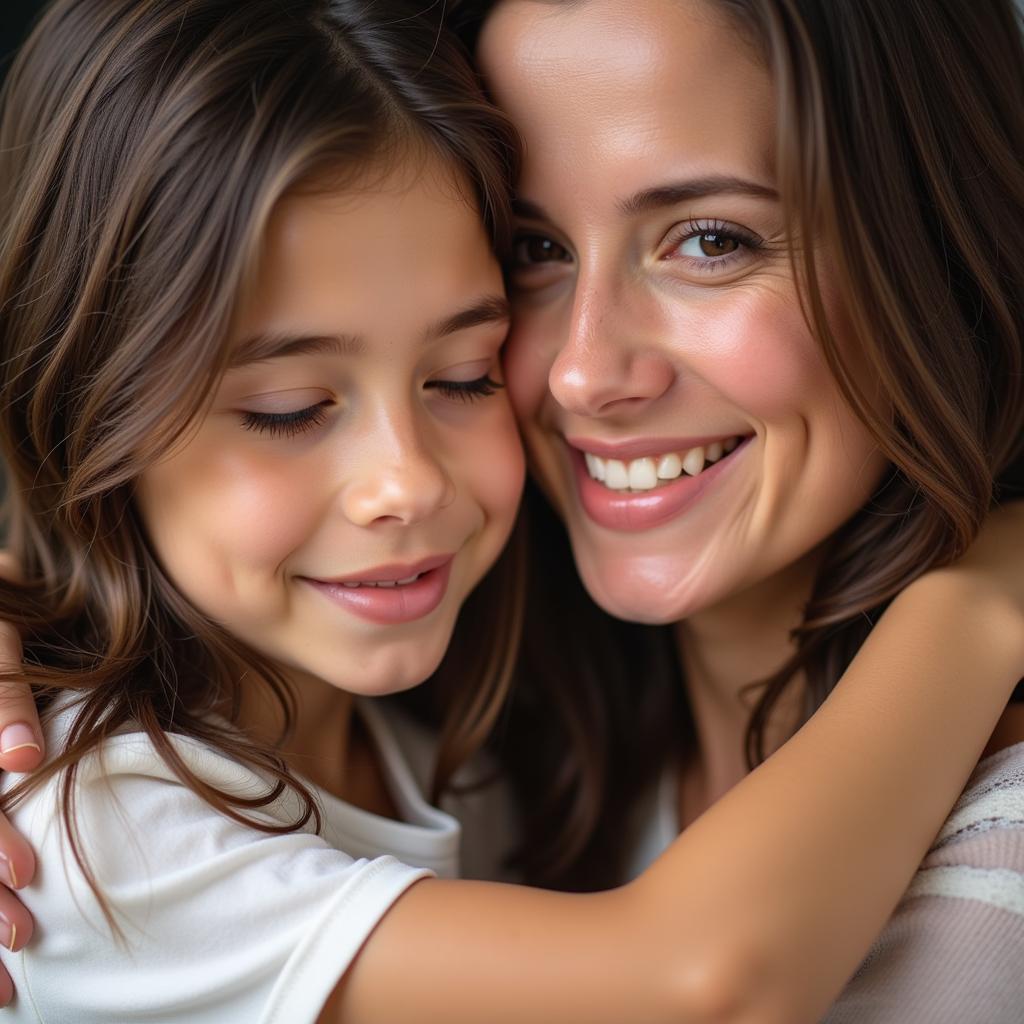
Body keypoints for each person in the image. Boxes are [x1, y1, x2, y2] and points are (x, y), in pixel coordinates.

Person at [0, 1, 1020, 1022]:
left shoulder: (444, 722)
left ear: (930, 236)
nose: (580, 372)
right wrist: (984, 600)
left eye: (710, 239)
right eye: (533, 246)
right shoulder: (109, 822)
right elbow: (698, 982)